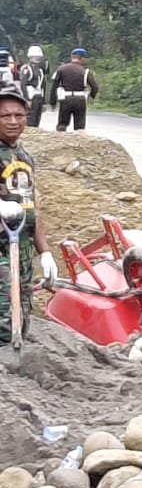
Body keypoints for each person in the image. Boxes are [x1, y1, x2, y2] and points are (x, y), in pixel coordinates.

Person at [0, 82, 57, 346]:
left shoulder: (23, 156)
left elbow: (32, 205)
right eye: (5, 116)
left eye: (18, 115)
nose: (13, 121)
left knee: (21, 316)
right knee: (3, 320)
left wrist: (44, 252)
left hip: (21, 249)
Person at [49, 48, 98, 132]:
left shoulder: (61, 69)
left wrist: (53, 102)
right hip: (80, 99)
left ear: (72, 57)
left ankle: (60, 137)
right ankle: (79, 139)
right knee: (79, 126)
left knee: (62, 124)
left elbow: (54, 87)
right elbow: (95, 87)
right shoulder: (85, 71)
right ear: (82, 58)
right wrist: (91, 97)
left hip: (66, 99)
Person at [20, 48, 48, 128]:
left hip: (39, 96)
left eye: (38, 57)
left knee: (37, 119)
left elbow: (42, 86)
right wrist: (27, 99)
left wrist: (43, 101)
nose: (37, 59)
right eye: (35, 57)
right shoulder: (27, 69)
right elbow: (23, 84)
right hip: (31, 96)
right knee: (30, 119)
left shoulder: (40, 70)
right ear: (30, 57)